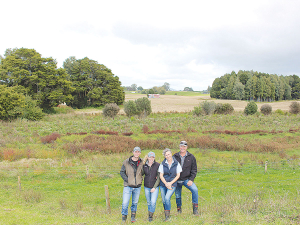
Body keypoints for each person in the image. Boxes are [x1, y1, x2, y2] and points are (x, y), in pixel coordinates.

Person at [173, 140, 199, 215]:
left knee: (195, 190)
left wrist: (191, 180)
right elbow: (170, 168)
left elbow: (194, 170)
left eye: (184, 146)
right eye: (181, 146)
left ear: (186, 147)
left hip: (186, 179)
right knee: (178, 195)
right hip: (177, 180)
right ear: (179, 146)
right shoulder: (175, 156)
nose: (182, 148)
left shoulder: (191, 157)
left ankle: (195, 210)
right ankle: (179, 210)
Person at [120, 146, 143, 223]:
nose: (137, 153)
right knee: (125, 202)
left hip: (137, 186)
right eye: (135, 152)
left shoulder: (142, 162)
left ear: (140, 153)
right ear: (133, 152)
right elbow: (122, 172)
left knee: (135, 203)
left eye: (138, 152)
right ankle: (124, 218)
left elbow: (144, 172)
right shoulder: (126, 162)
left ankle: (133, 217)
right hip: (128, 186)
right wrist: (128, 180)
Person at [159, 148, 182, 221]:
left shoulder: (176, 163)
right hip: (163, 184)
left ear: (171, 154)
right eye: (166, 155)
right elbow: (161, 175)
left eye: (168, 154)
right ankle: (166, 212)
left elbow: (178, 175)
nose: (168, 156)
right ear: (164, 156)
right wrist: (166, 183)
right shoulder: (162, 164)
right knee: (163, 200)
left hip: (172, 184)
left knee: (167, 198)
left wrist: (170, 183)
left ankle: (167, 217)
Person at [143, 151, 160, 222]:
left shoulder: (157, 165)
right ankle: (150, 215)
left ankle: (150, 216)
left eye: (153, 157)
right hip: (146, 186)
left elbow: (159, 177)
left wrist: (154, 187)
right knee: (149, 202)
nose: (151, 158)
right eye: (150, 157)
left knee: (153, 202)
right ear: (147, 157)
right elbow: (141, 174)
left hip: (154, 187)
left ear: (154, 158)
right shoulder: (144, 165)